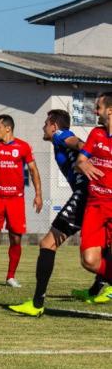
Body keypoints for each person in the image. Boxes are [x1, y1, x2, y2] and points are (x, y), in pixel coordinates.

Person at [10, 109, 110, 316]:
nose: (43, 128)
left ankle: (37, 304)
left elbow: (77, 143)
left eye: (46, 123)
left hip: (84, 195)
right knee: (99, 249)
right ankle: (97, 289)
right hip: (90, 195)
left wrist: (87, 157)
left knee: (48, 243)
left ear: (54, 126)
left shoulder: (60, 136)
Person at [0, 115, 42, 289]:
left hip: (15, 200)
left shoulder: (23, 146)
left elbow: (33, 170)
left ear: (8, 128)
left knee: (16, 238)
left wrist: (38, 194)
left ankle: (11, 277)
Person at [70, 93, 112, 303]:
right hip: (95, 206)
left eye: (98, 107)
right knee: (89, 260)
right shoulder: (96, 134)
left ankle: (101, 290)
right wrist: (82, 163)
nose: (95, 111)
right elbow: (80, 161)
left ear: (110, 111)